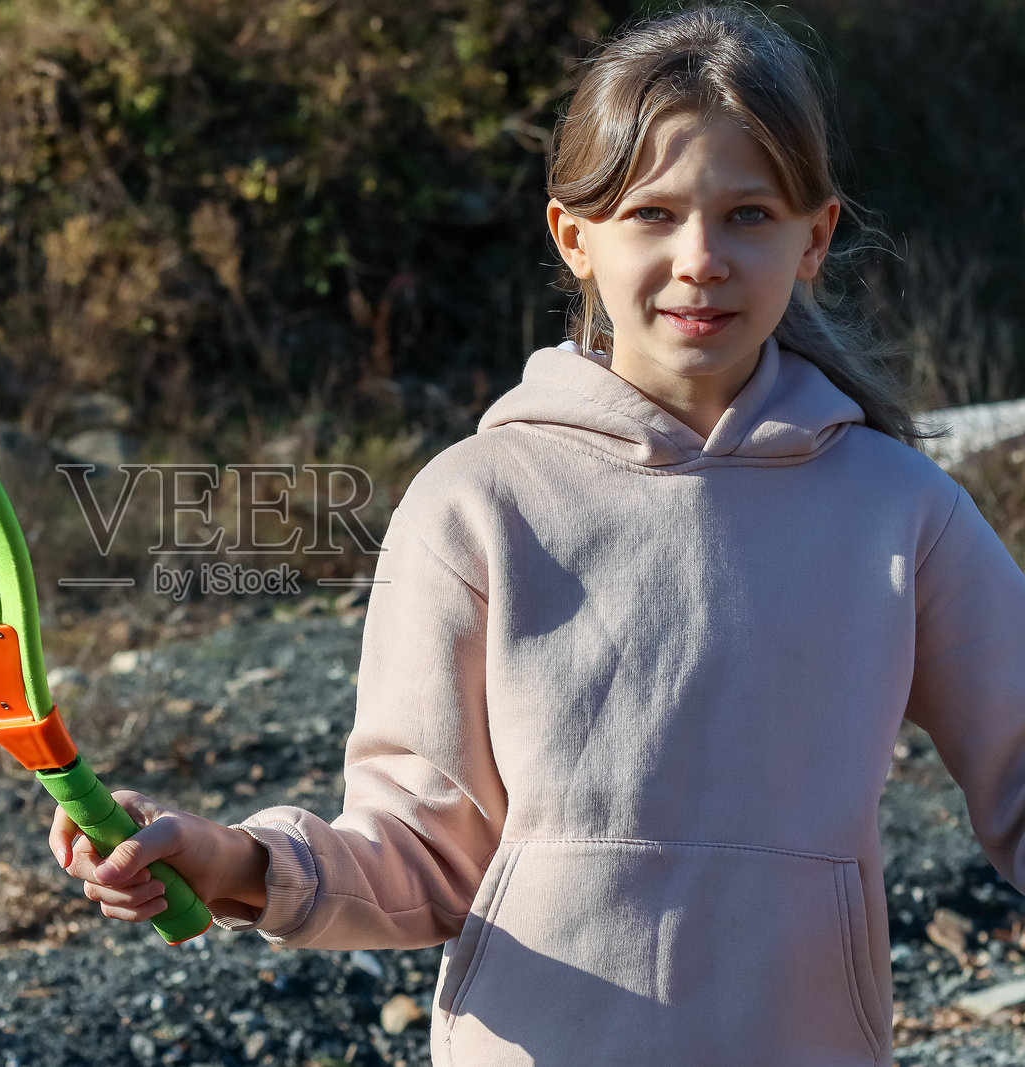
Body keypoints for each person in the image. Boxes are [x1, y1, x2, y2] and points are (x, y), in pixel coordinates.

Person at [50, 5, 1025, 1063]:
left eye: (748, 214)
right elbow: (419, 852)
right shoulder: (476, 502)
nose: (700, 258)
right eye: (651, 212)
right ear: (573, 236)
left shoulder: (899, 508)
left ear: (814, 238)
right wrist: (229, 857)